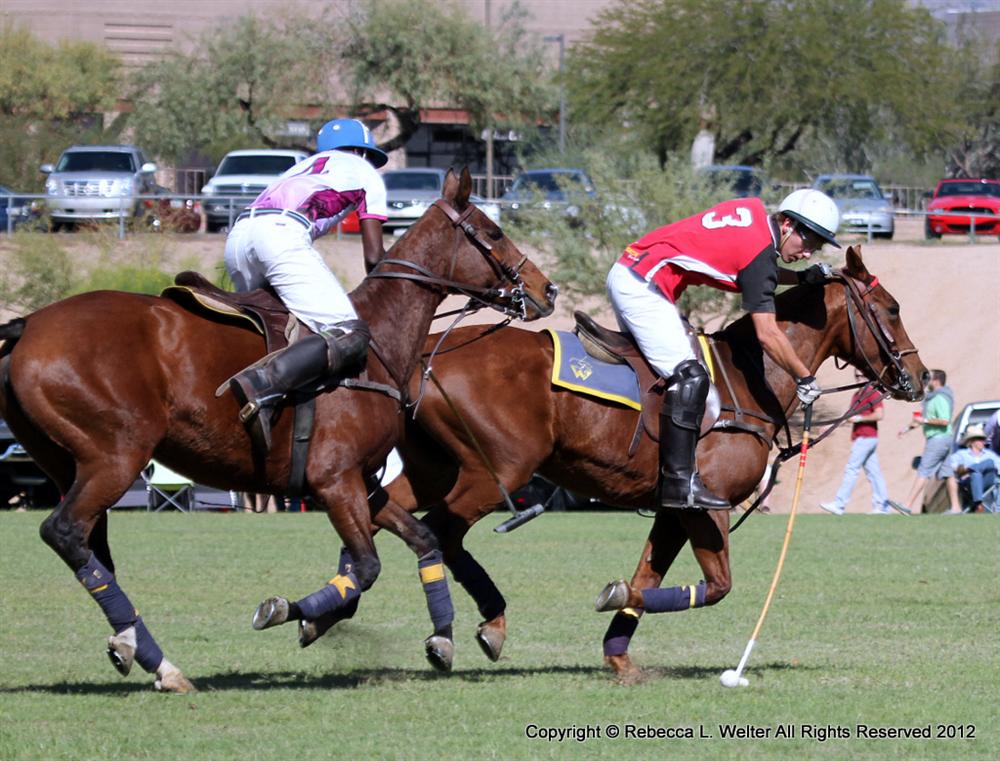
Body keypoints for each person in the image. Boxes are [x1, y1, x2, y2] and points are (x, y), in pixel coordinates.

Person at [606, 188, 839, 509]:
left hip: (635, 272)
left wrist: (801, 278)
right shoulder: (760, 254)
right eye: (809, 242)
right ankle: (678, 483)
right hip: (641, 284)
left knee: (666, 375)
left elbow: (756, 273)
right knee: (692, 377)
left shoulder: (753, 215)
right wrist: (804, 378)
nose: (809, 253)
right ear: (787, 225)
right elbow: (767, 333)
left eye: (817, 247)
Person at [223, 118, 389, 449]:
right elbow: (373, 255)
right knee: (348, 332)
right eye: (368, 155)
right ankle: (262, 385)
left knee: (261, 329)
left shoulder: (302, 166)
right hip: (280, 237)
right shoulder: (366, 171)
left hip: (238, 239)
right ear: (359, 150)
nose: (369, 163)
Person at [820, 371, 892, 515]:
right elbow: (848, 417)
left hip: (867, 437)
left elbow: (879, 414)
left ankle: (840, 504)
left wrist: (859, 419)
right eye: (857, 376)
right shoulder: (856, 396)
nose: (859, 378)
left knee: (852, 469)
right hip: (861, 437)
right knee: (874, 472)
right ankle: (883, 505)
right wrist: (831, 426)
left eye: (862, 375)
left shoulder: (873, 393)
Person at [900, 369, 954, 513]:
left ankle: (907, 505)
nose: (925, 381)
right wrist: (907, 429)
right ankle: (956, 508)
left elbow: (944, 421)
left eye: (927, 378)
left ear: (936, 380)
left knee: (924, 470)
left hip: (938, 438)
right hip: (943, 438)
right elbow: (921, 420)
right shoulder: (932, 398)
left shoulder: (940, 398)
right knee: (948, 473)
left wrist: (923, 420)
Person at [944, 424, 1000, 513]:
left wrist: (968, 469)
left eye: (983, 439)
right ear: (972, 441)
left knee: (990, 462)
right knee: (976, 474)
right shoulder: (961, 454)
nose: (984, 442)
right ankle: (978, 505)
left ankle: (971, 469)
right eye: (980, 439)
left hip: (987, 482)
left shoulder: (989, 454)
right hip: (969, 483)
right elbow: (950, 467)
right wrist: (961, 471)